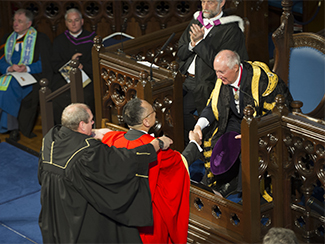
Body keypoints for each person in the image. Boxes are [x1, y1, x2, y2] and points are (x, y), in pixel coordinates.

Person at [38, 103, 173, 243]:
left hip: (54, 212)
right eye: (91, 121)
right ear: (82, 125)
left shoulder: (50, 139)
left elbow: (41, 177)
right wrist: (155, 146)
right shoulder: (87, 151)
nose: (93, 124)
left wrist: (93, 132)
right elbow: (122, 161)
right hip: (78, 214)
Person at [193, 50, 293, 197]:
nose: (218, 76)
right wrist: (198, 126)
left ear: (235, 67)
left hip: (262, 124)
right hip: (237, 121)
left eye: (221, 71)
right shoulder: (222, 80)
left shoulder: (263, 81)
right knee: (219, 138)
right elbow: (212, 106)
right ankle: (225, 182)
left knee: (248, 146)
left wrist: (251, 132)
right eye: (216, 71)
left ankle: (246, 193)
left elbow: (277, 114)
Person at [102, 98, 202, 244]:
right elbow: (180, 163)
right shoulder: (153, 150)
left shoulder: (113, 141)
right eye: (153, 112)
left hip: (118, 217)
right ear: (146, 122)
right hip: (147, 222)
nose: (155, 113)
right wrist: (194, 143)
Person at [177, 0, 249, 144]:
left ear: (222, 2)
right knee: (169, 106)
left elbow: (220, 65)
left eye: (210, 2)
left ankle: (204, 141)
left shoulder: (231, 30)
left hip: (208, 83)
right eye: (203, 1)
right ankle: (190, 142)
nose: (205, 6)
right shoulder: (196, 22)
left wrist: (200, 43)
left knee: (181, 111)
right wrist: (192, 44)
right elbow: (180, 52)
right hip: (184, 78)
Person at [0, 9, 52, 141]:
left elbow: (44, 64)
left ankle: (12, 128)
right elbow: (1, 61)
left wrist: (27, 68)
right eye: (14, 20)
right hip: (9, 74)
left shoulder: (40, 39)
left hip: (30, 77)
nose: (15, 24)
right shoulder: (7, 38)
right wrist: (10, 67)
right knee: (6, 87)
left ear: (29, 24)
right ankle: (12, 128)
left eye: (19, 21)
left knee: (7, 89)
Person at [51, 8, 96, 124]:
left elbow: (97, 63)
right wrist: (70, 63)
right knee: (58, 97)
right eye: (70, 21)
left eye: (76, 20)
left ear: (82, 21)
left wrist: (82, 65)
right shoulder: (59, 40)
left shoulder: (93, 40)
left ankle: (86, 129)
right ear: (66, 23)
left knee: (87, 96)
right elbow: (54, 64)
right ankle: (62, 131)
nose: (73, 23)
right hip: (64, 79)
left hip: (88, 79)